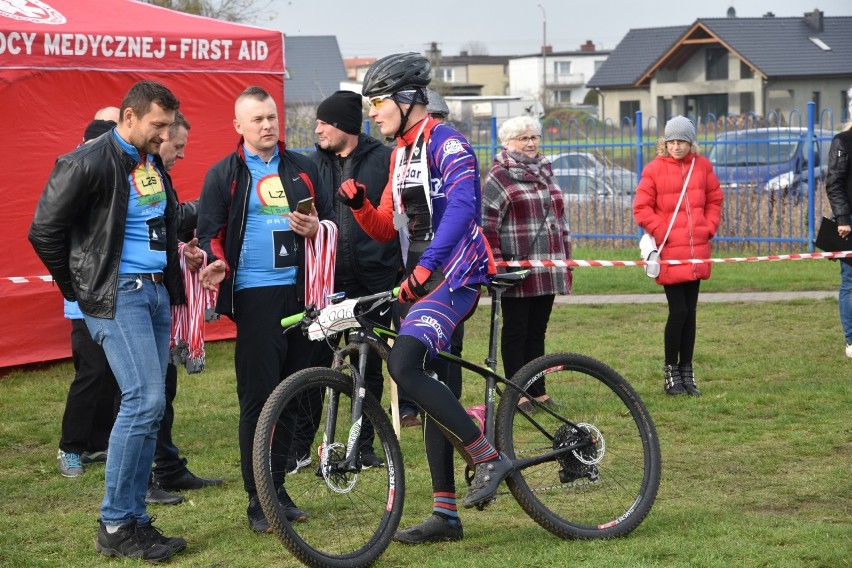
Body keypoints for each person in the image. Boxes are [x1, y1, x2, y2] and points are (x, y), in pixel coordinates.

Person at [337, 52, 512, 544]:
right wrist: (360, 207)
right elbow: (385, 226)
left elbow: (463, 210)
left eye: (377, 103)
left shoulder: (447, 142)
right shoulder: (400, 153)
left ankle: (486, 456)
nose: (372, 113)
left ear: (408, 99)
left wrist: (424, 269)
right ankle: (445, 515)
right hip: (420, 275)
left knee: (406, 365)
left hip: (455, 271)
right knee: (431, 389)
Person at [29, 80, 191, 562]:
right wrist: (79, 289)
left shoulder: (150, 160)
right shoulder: (87, 161)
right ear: (129, 117)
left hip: (155, 291)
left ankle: (135, 519)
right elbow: (43, 231)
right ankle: (116, 522)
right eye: (157, 126)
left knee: (151, 405)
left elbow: (155, 221)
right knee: (143, 400)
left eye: (168, 126)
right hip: (118, 294)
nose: (165, 136)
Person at [197, 86, 333, 533]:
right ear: (238, 126)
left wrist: (315, 227)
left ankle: (278, 488)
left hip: (300, 295)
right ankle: (258, 500)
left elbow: (330, 223)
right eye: (257, 119)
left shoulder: (303, 167)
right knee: (258, 401)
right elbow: (209, 232)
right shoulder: (227, 173)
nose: (267, 126)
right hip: (256, 297)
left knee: (292, 393)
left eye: (271, 117)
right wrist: (215, 262)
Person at [286, 90, 400, 472]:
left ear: (345, 126)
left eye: (324, 122)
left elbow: (399, 215)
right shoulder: (309, 165)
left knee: (369, 363)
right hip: (327, 281)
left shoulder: (384, 160)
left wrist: (397, 258)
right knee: (317, 362)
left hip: (375, 280)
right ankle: (300, 447)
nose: (316, 129)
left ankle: (363, 445)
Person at [149, 111, 223, 499]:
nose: (181, 155)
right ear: (158, 137)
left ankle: (167, 467)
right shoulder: (139, 173)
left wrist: (183, 250)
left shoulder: (159, 173)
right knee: (146, 393)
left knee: (164, 385)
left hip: (163, 293)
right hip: (141, 296)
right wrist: (208, 207)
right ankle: (144, 479)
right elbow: (165, 222)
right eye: (178, 147)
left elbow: (167, 229)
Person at [481, 115, 573, 412]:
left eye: (534, 137)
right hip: (516, 269)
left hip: (547, 267)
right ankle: (517, 393)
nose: (531, 143)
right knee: (516, 331)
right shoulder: (499, 176)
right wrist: (497, 265)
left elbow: (560, 219)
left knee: (537, 331)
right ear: (508, 143)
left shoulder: (546, 171)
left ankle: (539, 390)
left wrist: (566, 258)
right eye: (524, 138)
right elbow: (487, 225)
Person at [633, 115, 723, 396]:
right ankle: (671, 371)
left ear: (690, 142)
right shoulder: (654, 169)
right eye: (671, 141)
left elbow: (715, 199)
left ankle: (687, 370)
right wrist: (663, 232)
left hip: (697, 250)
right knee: (679, 310)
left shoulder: (703, 167)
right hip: (670, 251)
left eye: (681, 141)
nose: (676, 146)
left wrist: (707, 228)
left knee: (691, 312)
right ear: (664, 142)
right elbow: (641, 207)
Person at [56, 115, 121, 479]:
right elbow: (51, 236)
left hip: (116, 296)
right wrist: (73, 289)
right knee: (92, 370)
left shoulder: (116, 180)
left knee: (111, 372)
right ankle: (69, 449)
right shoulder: (73, 179)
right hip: (83, 301)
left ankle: (98, 442)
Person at [824, 98, 852, 357]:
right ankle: (851, 340)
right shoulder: (842, 141)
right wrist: (843, 218)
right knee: (850, 282)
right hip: (850, 222)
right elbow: (834, 183)